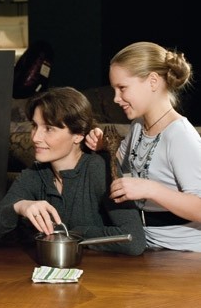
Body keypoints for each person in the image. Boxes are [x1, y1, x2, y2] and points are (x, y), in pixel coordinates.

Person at [0, 87, 146, 255]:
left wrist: (73, 234)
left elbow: (134, 241)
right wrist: (18, 207)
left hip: (99, 271)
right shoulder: (34, 174)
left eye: (49, 128)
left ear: (78, 135)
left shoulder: (99, 168)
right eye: (35, 126)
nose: (35, 137)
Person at [85, 42, 201, 251]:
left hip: (183, 251)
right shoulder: (138, 125)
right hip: (146, 242)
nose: (116, 99)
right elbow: (119, 164)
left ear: (153, 81)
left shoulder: (180, 136)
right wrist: (103, 145)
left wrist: (151, 189)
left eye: (122, 88)